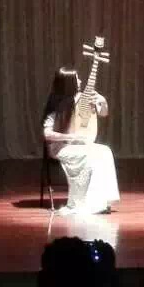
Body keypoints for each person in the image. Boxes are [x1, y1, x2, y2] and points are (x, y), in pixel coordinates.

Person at [42, 67, 120, 215]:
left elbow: (103, 113)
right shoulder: (56, 104)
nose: (80, 81)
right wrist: (71, 137)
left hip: (78, 145)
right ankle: (82, 202)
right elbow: (47, 134)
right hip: (60, 147)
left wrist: (103, 101)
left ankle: (101, 201)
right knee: (90, 155)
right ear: (68, 83)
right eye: (77, 78)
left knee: (105, 151)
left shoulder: (82, 99)